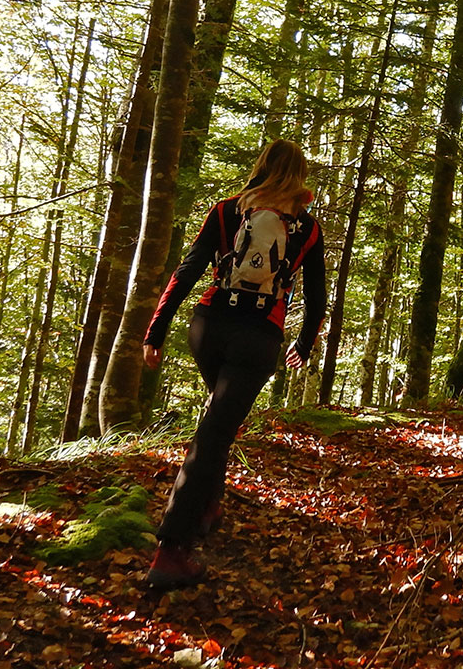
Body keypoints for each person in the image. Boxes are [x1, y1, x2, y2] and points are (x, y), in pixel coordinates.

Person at [139, 139, 327, 591]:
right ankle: (171, 549)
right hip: (258, 336)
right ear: (298, 177)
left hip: (208, 327)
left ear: (260, 167)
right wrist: (303, 341)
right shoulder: (307, 228)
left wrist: (156, 331)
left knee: (218, 424)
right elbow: (317, 298)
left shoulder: (226, 210)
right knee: (216, 430)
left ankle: (207, 505)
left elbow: (186, 271)